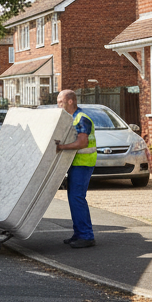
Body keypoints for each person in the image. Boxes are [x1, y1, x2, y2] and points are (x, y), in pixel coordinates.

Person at [54, 89, 98, 249]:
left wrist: (62, 147)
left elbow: (82, 143)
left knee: (77, 198)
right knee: (74, 198)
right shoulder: (72, 117)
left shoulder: (81, 118)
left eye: (61, 101)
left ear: (70, 101)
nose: (58, 104)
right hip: (76, 163)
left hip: (83, 163)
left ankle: (86, 236)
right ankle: (79, 234)